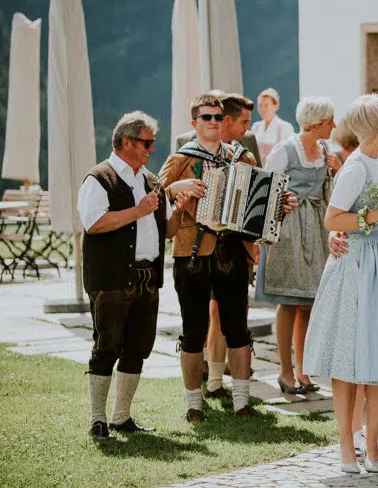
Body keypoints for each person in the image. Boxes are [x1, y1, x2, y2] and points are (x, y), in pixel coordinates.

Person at [303, 94, 378, 475]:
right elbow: (332, 220)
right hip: (358, 264)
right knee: (349, 358)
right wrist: (373, 216)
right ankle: (346, 443)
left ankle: (372, 446)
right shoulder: (356, 167)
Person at [78, 111, 191, 440]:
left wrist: (180, 213)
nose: (150, 149)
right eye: (146, 142)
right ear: (125, 141)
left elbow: (167, 232)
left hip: (147, 277)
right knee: (106, 347)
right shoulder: (98, 178)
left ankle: (121, 416)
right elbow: (94, 223)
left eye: (152, 143)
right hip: (111, 279)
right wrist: (137, 211)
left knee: (138, 348)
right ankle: (97, 419)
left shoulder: (152, 180)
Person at [159, 93, 260, 421]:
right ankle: (193, 405)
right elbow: (153, 197)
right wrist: (178, 187)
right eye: (206, 118)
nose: (214, 123)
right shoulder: (179, 160)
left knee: (237, 327)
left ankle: (242, 402)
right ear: (194, 123)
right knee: (194, 329)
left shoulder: (241, 158)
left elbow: (258, 201)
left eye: (218, 117)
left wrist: (277, 206)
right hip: (191, 252)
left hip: (232, 249)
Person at [256, 96, 340, 394]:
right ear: (316, 122)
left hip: (316, 228)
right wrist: (283, 201)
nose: (333, 125)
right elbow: (265, 189)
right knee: (288, 302)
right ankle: (285, 371)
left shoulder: (325, 151)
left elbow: (333, 189)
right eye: (330, 120)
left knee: (308, 303)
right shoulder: (285, 150)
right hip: (289, 229)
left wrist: (336, 167)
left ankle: (304, 370)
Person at [251, 87, 296, 162]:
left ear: (276, 106)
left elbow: (289, 154)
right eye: (260, 105)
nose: (263, 109)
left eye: (266, 105)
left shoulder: (285, 127)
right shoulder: (256, 127)